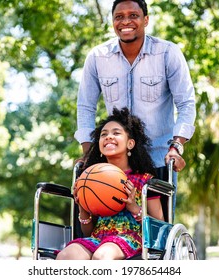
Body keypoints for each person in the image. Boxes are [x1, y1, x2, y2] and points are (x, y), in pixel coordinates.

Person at [74, 0, 196, 182]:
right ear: (112, 22)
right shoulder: (97, 57)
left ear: (146, 20)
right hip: (114, 165)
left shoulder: (167, 53)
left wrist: (176, 147)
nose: (125, 22)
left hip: (159, 160)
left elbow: (186, 103)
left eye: (133, 16)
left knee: (158, 212)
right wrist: (88, 153)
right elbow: (85, 107)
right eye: (119, 17)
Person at [56, 107, 164, 260]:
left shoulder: (144, 181)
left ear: (130, 143)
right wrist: (82, 207)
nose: (108, 137)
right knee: (66, 256)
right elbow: (88, 232)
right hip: (98, 238)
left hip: (131, 238)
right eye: (103, 134)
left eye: (116, 133)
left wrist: (134, 207)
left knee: (101, 257)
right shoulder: (91, 179)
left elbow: (160, 227)